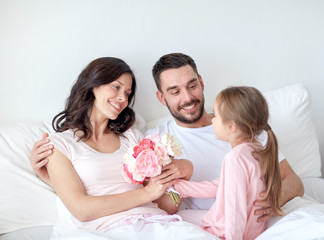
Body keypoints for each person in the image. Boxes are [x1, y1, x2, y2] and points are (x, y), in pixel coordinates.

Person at [30, 53, 304, 222]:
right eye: (174, 91)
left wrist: (269, 202)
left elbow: (293, 181)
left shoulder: (242, 127)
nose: (187, 98)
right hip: (200, 222)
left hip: (256, 219)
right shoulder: (155, 141)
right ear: (161, 98)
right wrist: (52, 178)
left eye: (192, 85)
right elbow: (164, 200)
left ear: (202, 83)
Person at [42, 57, 218, 239]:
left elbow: (166, 206)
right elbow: (81, 210)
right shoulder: (59, 145)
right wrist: (146, 193)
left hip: (158, 224)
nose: (122, 99)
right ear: (93, 85)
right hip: (108, 231)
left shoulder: (132, 137)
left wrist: (183, 177)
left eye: (127, 93)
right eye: (116, 87)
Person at [173, 86, 284, 240]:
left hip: (230, 232)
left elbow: (235, 211)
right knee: (184, 215)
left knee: (178, 218)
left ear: (232, 127)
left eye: (216, 116)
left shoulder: (235, 158)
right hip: (254, 230)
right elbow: (220, 187)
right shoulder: (257, 150)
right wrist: (180, 187)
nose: (212, 119)